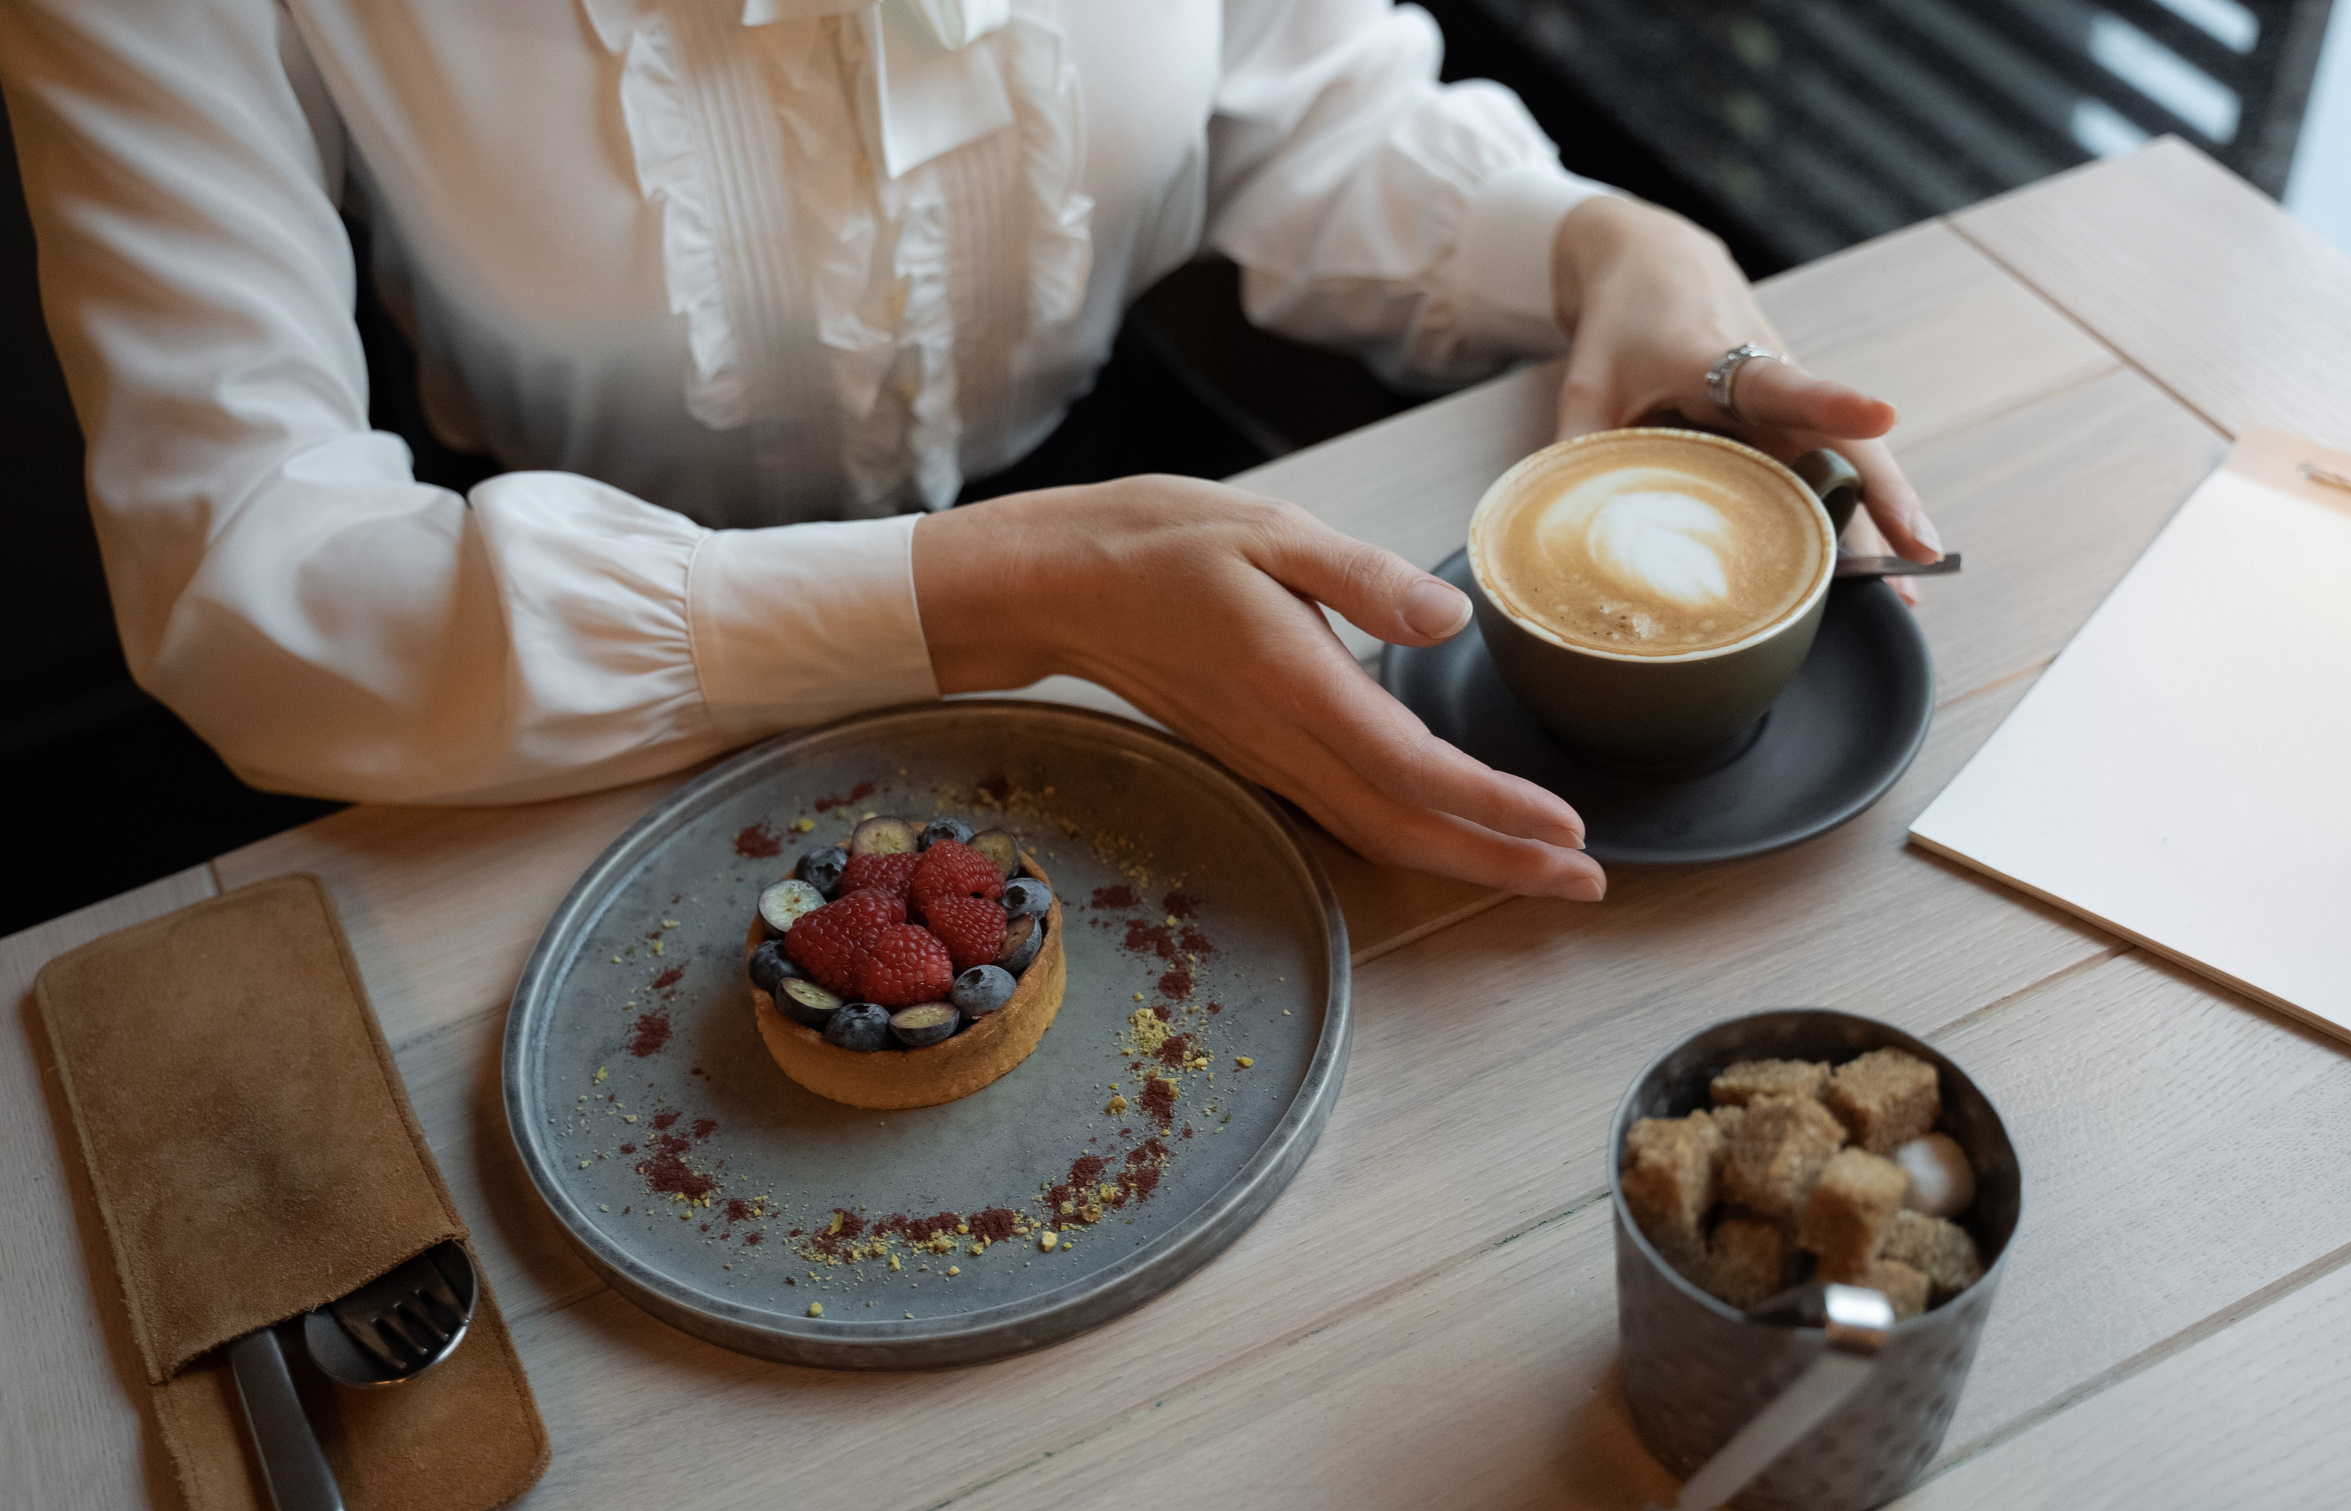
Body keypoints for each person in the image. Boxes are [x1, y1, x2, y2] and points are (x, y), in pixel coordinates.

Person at [3, 0, 1936, 903]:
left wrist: (1612, 242)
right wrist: (995, 591)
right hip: (541, 724)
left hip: (1159, 593)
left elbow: (1298, 102)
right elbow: (248, 574)